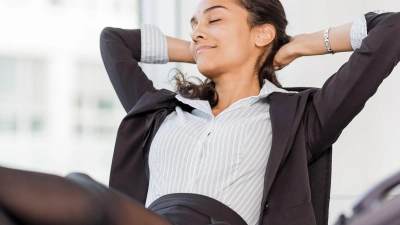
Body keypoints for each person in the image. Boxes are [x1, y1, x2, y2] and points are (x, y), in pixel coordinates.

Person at [0, 0, 399, 224]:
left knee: (84, 191)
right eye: (193, 25)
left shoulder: (301, 119)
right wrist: (201, 46)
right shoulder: (159, 112)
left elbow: (392, 28)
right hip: (143, 221)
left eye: (214, 19)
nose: (196, 30)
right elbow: (114, 43)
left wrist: (294, 45)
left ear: (262, 33)